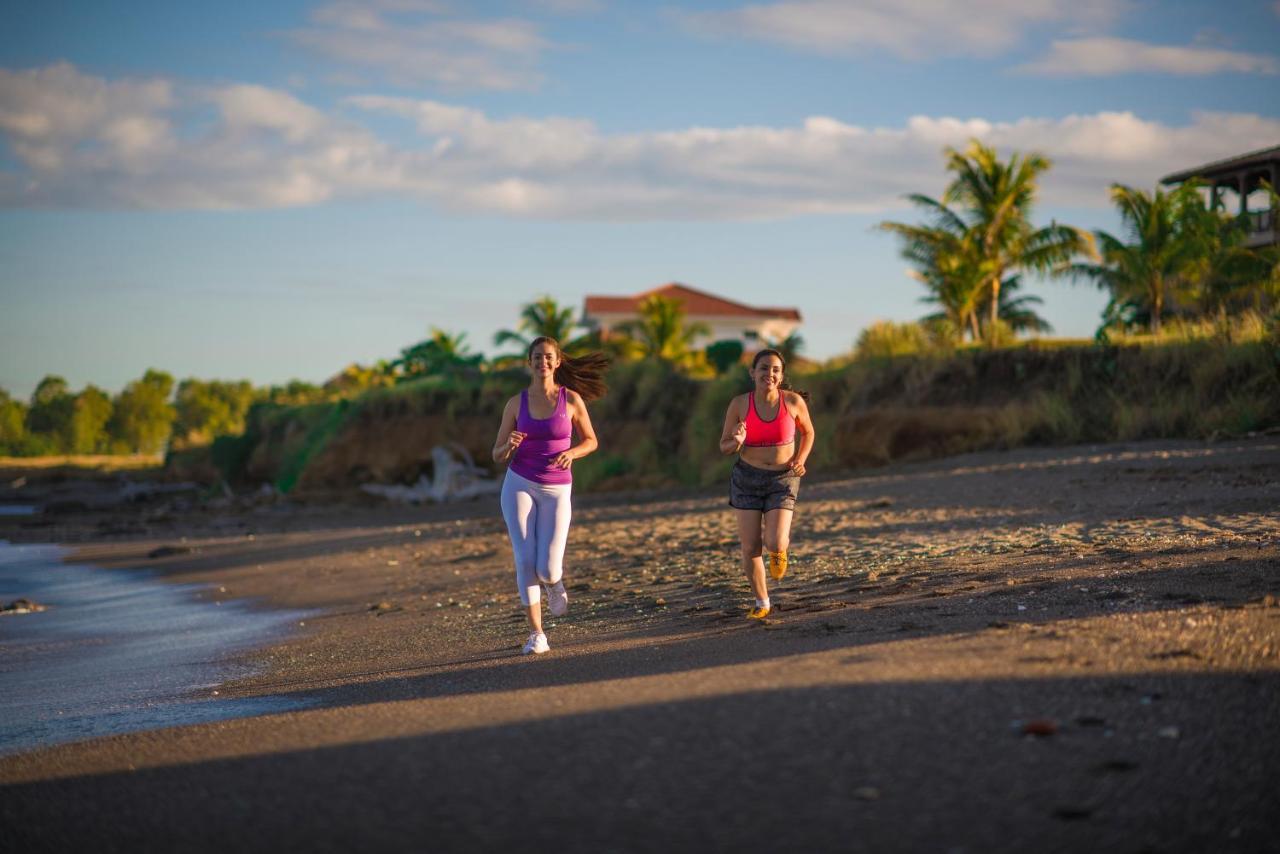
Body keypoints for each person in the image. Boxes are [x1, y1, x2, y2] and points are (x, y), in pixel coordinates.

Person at [492, 337, 608, 655]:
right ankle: (537, 634)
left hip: (558, 487)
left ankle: (554, 584)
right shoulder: (516, 404)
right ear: (528, 362)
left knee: (548, 568)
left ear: (557, 362)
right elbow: (496, 454)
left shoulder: (570, 400)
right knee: (524, 559)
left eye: (548, 357)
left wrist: (573, 453)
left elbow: (591, 441)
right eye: (537, 357)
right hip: (519, 484)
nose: (542, 362)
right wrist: (509, 447)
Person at [718, 348, 816, 619]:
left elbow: (808, 432)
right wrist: (736, 442)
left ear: (782, 375)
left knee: (774, 541)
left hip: (783, 479)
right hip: (746, 479)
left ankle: (780, 551)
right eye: (763, 368)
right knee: (750, 547)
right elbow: (724, 446)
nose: (769, 374)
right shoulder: (739, 404)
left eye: (775, 370)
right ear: (753, 373)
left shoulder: (793, 402)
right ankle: (762, 603)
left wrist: (800, 458)